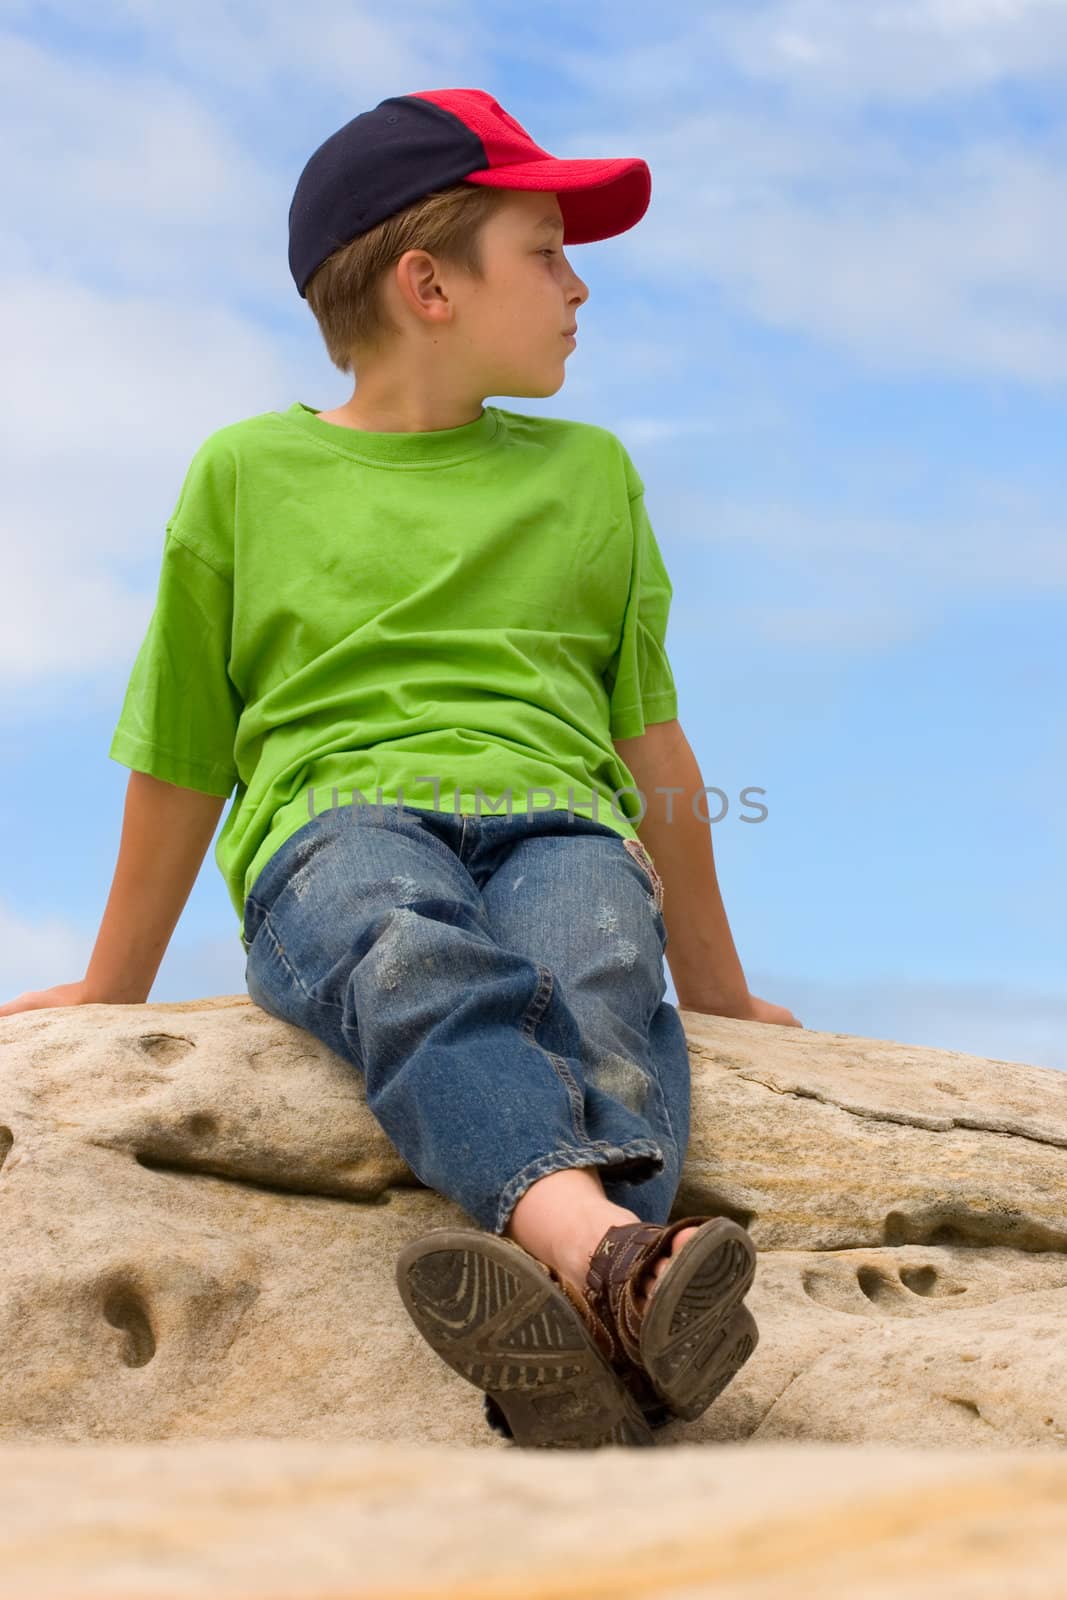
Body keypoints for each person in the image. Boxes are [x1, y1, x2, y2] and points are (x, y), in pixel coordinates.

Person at [0, 88, 802, 1449]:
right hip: (338, 825)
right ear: (429, 283)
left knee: (605, 983)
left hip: (558, 818)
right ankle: (622, 1261)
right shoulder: (248, 473)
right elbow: (186, 749)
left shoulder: (592, 476)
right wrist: (108, 988)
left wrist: (715, 989)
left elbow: (645, 738)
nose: (579, 284)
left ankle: (590, 1340)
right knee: (410, 956)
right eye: (544, 250)